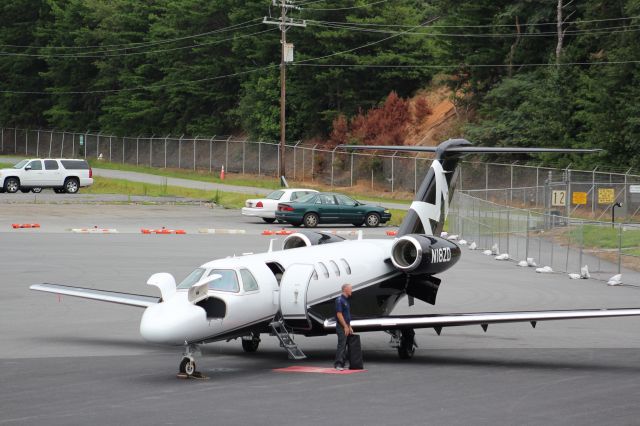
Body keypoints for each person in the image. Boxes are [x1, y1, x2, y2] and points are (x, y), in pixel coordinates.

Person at [334, 283, 354, 370]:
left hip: (345, 326)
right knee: (341, 345)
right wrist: (345, 326)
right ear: (345, 289)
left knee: (345, 344)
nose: (351, 291)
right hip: (341, 326)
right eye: (350, 289)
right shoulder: (339, 300)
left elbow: (347, 315)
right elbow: (339, 314)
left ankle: (342, 363)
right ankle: (338, 364)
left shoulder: (346, 300)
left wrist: (349, 326)